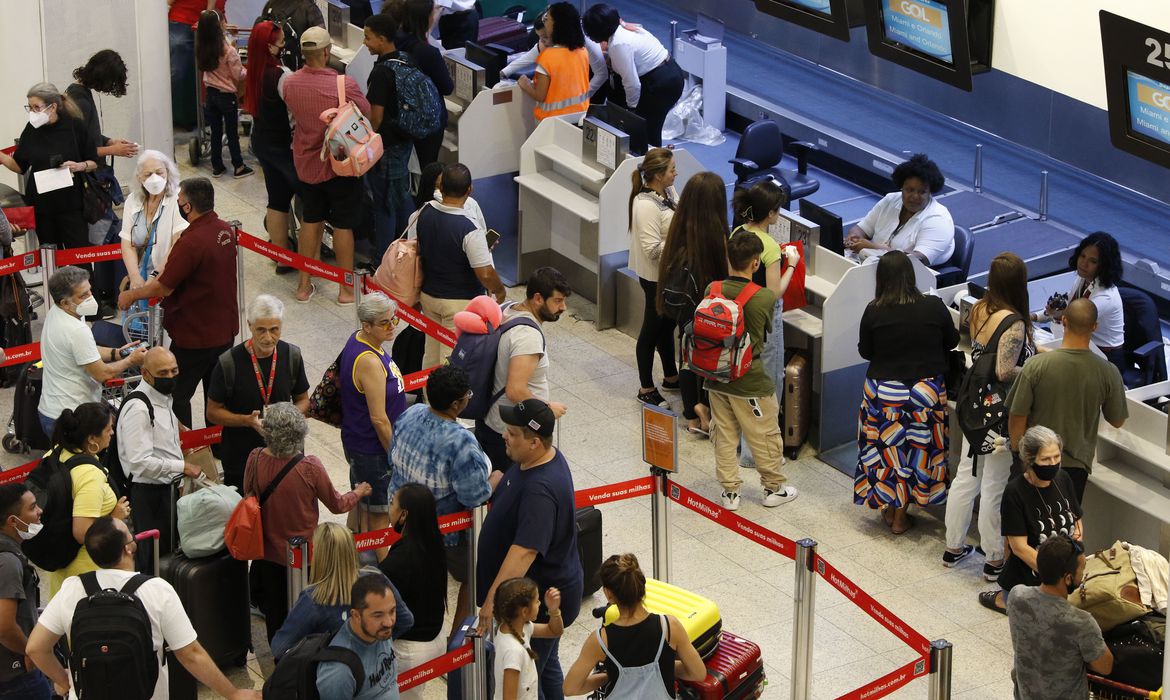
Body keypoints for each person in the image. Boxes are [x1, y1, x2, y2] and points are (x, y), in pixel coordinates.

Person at [26, 516, 261, 700]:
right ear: (129, 548)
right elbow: (191, 654)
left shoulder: (72, 588)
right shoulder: (157, 590)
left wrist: (64, 680)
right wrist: (232, 693)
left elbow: (35, 648)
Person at [476, 399, 584, 699]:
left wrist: (491, 603)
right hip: (545, 594)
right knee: (546, 667)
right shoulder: (537, 459)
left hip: (539, 601)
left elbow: (524, 553)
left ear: (534, 442)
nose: (503, 436)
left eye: (512, 433)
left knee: (528, 678)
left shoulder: (540, 490)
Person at [117, 177, 240, 428]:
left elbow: (164, 286)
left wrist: (131, 295)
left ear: (187, 207)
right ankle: (215, 444)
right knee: (216, 394)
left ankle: (184, 444)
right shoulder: (225, 230)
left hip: (194, 336)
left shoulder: (191, 242)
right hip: (224, 331)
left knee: (177, 394)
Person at [244, 402, 372, 642]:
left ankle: (279, 655)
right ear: (300, 433)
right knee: (307, 609)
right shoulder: (309, 466)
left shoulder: (254, 458)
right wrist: (359, 492)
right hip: (305, 556)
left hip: (268, 553)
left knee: (275, 611)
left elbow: (248, 495)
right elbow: (337, 504)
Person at [943, 253, 1035, 581]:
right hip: (998, 413)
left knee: (967, 474)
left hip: (974, 403)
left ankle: (953, 545)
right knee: (994, 483)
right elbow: (1004, 369)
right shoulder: (1014, 323)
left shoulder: (980, 308)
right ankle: (994, 555)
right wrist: (1035, 366)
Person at [854, 250, 959, 534]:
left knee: (887, 452)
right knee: (917, 452)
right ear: (911, 275)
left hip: (883, 392)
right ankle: (900, 515)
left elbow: (866, 351)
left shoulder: (874, 309)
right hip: (924, 392)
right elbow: (953, 340)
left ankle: (891, 509)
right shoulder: (934, 306)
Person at [389, 366, 494, 638]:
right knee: (474, 577)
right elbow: (475, 497)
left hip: (403, 519)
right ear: (457, 404)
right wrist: (495, 479)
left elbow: (392, 455)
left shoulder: (410, 413)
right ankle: (456, 643)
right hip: (446, 535)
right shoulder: (461, 443)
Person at [707, 233, 798, 512]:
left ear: (728, 259)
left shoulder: (713, 289)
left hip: (716, 375)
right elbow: (763, 335)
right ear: (756, 263)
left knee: (724, 434)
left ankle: (730, 492)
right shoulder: (763, 298)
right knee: (765, 434)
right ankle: (773, 488)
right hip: (750, 380)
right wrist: (791, 265)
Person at [1005, 298, 1128, 503]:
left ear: (1063, 321)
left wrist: (1020, 454)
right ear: (1095, 327)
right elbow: (1117, 420)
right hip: (1075, 467)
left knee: (1021, 526)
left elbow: (1017, 415)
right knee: (1061, 529)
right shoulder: (1109, 372)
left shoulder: (1036, 365)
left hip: (1034, 458)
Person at [281, 26, 370, 305]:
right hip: (340, 164)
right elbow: (365, 112)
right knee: (343, 225)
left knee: (310, 220)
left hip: (306, 163)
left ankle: (304, 286)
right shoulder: (343, 84)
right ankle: (344, 290)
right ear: (326, 52)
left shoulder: (290, 83)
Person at [563, 553, 706, 698]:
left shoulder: (600, 640)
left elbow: (571, 688)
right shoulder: (669, 627)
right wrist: (666, 665)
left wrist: (609, 676)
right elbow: (698, 673)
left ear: (608, 593)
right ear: (641, 586)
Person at [207, 294, 310, 492]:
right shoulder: (228, 363)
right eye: (261, 330)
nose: (268, 337)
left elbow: (303, 400)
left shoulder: (292, 355)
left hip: (287, 456)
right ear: (249, 325)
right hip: (242, 460)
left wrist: (287, 418)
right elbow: (212, 412)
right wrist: (247, 420)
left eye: (274, 330)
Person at [978, 425, 1083, 615]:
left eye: (1057, 457)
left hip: (1063, 577)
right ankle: (1003, 600)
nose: (1053, 464)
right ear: (1030, 460)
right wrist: (1056, 577)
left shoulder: (1063, 478)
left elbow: (1076, 518)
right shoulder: (1015, 492)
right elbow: (1019, 547)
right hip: (1030, 581)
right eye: (1045, 459)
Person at [117, 347, 203, 574]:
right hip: (149, 496)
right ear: (146, 374)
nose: (170, 377)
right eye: (163, 373)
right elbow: (139, 462)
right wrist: (181, 466)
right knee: (153, 559)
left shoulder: (161, 398)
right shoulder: (138, 408)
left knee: (169, 552)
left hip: (167, 490)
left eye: (174, 371)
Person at [476, 268, 571, 473]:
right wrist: (546, 409)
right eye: (557, 301)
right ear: (538, 298)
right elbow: (515, 391)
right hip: (511, 433)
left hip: (491, 419)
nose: (563, 307)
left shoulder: (507, 308)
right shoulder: (527, 336)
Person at [412, 163, 507, 369]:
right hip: (458, 303)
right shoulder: (469, 228)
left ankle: (429, 399)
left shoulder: (425, 212)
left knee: (431, 356)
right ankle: (444, 401)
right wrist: (499, 291)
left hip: (428, 295)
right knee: (451, 362)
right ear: (469, 189)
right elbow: (485, 273)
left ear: (441, 187)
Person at [656, 172, 730, 436]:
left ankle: (691, 414)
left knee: (686, 355)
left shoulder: (680, 225)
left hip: (683, 305)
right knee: (708, 358)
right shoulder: (717, 235)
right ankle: (706, 410)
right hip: (707, 308)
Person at [271, 523, 412, 660]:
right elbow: (406, 619)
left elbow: (280, 648)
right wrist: (375, 647)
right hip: (374, 673)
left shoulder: (313, 599)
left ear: (319, 555)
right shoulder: (376, 578)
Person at [32, 403, 131, 597]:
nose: (112, 433)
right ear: (92, 439)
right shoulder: (89, 475)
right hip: (88, 574)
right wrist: (115, 518)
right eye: (108, 429)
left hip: (62, 565)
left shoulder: (56, 453)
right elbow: (82, 531)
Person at [39, 267, 146, 438]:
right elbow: (102, 374)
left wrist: (117, 353)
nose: (90, 297)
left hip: (54, 409)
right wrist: (131, 360)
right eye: (83, 295)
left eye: (89, 290)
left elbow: (86, 351)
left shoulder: (61, 312)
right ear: (65, 302)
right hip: (70, 418)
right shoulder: (75, 329)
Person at [67, 50, 137, 312]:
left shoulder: (77, 92)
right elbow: (78, 150)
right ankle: (107, 294)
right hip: (90, 185)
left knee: (108, 236)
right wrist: (112, 150)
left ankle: (106, 293)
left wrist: (107, 142)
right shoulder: (81, 100)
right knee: (108, 236)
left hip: (91, 184)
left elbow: (87, 136)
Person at [340, 292, 407, 555]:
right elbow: (379, 418)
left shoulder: (358, 340)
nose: (391, 327)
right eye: (384, 323)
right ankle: (388, 575)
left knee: (361, 504)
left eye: (394, 320)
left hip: (359, 443)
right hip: (372, 449)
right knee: (380, 515)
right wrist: (395, 453)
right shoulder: (368, 360)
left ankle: (350, 554)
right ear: (366, 325)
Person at [1006, 535, 1113, 700]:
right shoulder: (1081, 622)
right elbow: (1105, 666)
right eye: (1082, 570)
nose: (1084, 575)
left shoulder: (1017, 596)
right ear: (1068, 578)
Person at [730, 180, 802, 408]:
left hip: (740, 309)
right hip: (765, 316)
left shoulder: (738, 232)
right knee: (771, 374)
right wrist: (791, 264)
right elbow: (774, 293)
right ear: (771, 213)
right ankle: (768, 424)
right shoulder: (769, 246)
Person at [0, 83, 98, 251]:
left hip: (71, 206)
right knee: (50, 260)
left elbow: (94, 162)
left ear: (53, 106)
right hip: (41, 207)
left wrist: (80, 166)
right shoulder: (31, 130)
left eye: (36, 107)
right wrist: (1, 157)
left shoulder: (75, 126)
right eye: (29, 107)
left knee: (80, 258)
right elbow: (20, 166)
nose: (32, 112)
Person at [377, 484, 447, 699]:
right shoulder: (434, 543)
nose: (389, 508)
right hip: (435, 637)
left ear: (404, 514)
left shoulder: (400, 559)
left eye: (392, 503)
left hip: (409, 649)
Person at [581, 4, 685, 148]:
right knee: (647, 126)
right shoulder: (622, 28)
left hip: (661, 82)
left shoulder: (619, 44)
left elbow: (632, 84)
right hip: (669, 72)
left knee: (646, 129)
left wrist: (632, 110)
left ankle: (652, 164)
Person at [244, 21, 299, 270]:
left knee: (276, 198)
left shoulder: (251, 72)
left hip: (262, 142)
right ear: (269, 46)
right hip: (283, 144)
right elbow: (294, 111)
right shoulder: (282, 75)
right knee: (308, 198)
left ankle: (280, 255)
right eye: (281, 42)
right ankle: (309, 257)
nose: (285, 45)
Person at [363, 13, 418, 261]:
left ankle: (382, 261)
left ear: (382, 39)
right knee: (400, 192)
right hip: (404, 139)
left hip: (385, 144)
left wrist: (364, 140)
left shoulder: (382, 72)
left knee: (384, 202)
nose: (365, 42)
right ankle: (414, 244)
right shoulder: (406, 60)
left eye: (368, 37)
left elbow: (376, 117)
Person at [1037, 232, 1126, 377]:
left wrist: (1057, 317)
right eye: (1083, 256)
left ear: (1104, 266)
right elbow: (1064, 310)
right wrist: (1034, 316)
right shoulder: (1083, 279)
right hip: (1085, 347)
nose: (1083, 263)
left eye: (1092, 261)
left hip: (1105, 359)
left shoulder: (1105, 297)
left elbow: (1071, 325)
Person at [629, 148, 679, 407]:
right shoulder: (645, 205)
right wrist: (680, 242)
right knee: (652, 328)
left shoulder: (668, 192)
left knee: (667, 324)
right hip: (654, 278)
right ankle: (646, 387)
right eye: (672, 170)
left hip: (670, 274)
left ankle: (671, 376)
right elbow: (651, 250)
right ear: (658, 175)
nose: (676, 173)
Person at [845, 153, 955, 265]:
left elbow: (918, 259)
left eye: (922, 192)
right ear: (901, 187)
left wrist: (873, 248)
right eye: (910, 190)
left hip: (910, 276)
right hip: (870, 264)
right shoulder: (890, 200)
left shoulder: (939, 220)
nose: (915, 197)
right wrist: (854, 238)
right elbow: (861, 228)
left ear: (930, 192)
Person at [315, 573, 406, 700]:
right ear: (356, 615)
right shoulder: (338, 672)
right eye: (378, 615)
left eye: (392, 611)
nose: (389, 622)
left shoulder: (378, 632)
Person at [387, 0, 453, 169]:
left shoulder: (395, 40)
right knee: (427, 168)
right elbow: (447, 87)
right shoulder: (428, 53)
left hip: (400, 116)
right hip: (427, 121)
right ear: (426, 18)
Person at [0, 483, 49, 699]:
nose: (39, 512)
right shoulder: (8, 561)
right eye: (32, 507)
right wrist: (31, 651)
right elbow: (4, 626)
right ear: (12, 521)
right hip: (16, 676)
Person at [195, 10, 253, 179]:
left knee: (215, 131)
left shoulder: (202, 47)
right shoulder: (228, 51)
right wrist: (249, 71)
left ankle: (217, 166)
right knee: (232, 132)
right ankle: (238, 165)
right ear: (219, 26)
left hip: (211, 94)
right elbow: (238, 75)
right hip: (227, 96)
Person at [501, 9, 608, 99]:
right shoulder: (546, 38)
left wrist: (582, 97)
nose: (542, 41)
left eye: (545, 37)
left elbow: (601, 74)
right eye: (540, 37)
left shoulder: (586, 40)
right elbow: (530, 56)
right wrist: (504, 72)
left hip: (593, 83)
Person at [119, 150, 187, 289]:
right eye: (148, 174)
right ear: (140, 178)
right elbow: (127, 244)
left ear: (167, 173)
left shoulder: (178, 198)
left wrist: (155, 275)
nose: (154, 178)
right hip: (142, 274)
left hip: (169, 274)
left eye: (159, 172)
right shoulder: (133, 201)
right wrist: (134, 276)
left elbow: (178, 243)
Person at [517, 3, 590, 122]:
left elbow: (540, 95)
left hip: (551, 123)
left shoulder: (547, 57)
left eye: (547, 18)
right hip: (580, 117)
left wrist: (525, 84)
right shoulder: (583, 51)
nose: (544, 21)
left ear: (558, 25)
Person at [492, 578, 564, 700]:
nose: (540, 603)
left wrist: (554, 610)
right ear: (524, 611)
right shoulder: (513, 652)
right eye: (536, 601)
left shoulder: (518, 627)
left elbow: (554, 631)